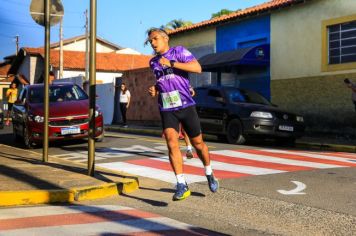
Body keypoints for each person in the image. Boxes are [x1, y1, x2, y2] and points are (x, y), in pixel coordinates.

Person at [146, 28, 219, 201]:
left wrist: (171, 63)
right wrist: (155, 88)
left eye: (155, 39)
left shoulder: (178, 51)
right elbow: (163, 80)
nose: (153, 43)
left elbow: (197, 68)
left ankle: (209, 172)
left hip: (186, 105)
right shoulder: (153, 62)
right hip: (166, 107)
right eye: (150, 41)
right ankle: (181, 184)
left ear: (165, 38)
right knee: (172, 143)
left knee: (198, 144)